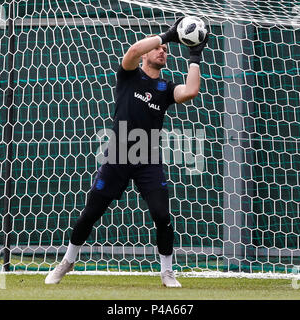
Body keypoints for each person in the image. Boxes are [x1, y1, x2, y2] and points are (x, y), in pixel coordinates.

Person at [45, 18, 209, 287]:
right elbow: (133, 51)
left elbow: (190, 91)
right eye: (158, 49)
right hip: (118, 154)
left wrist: (195, 55)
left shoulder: (165, 88)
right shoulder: (129, 74)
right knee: (91, 212)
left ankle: (167, 272)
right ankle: (67, 261)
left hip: (148, 158)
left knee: (162, 216)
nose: (162, 52)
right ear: (147, 54)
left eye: (166, 51)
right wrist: (168, 36)